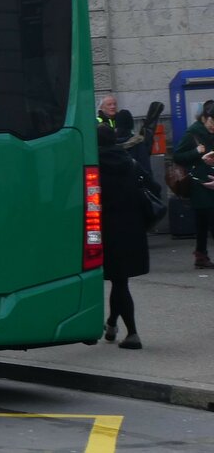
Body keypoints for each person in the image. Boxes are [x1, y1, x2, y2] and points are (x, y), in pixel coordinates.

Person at [96, 124, 148, 349]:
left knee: (119, 281)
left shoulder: (93, 166)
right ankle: (111, 325)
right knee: (121, 281)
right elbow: (153, 187)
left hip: (105, 230)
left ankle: (133, 334)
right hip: (134, 229)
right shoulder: (130, 162)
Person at [173, 99, 214, 269]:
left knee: (203, 222)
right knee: (206, 220)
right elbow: (178, 156)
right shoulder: (193, 134)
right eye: (212, 122)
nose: (213, 127)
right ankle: (201, 255)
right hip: (199, 185)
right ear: (205, 118)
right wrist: (196, 152)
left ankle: (200, 255)